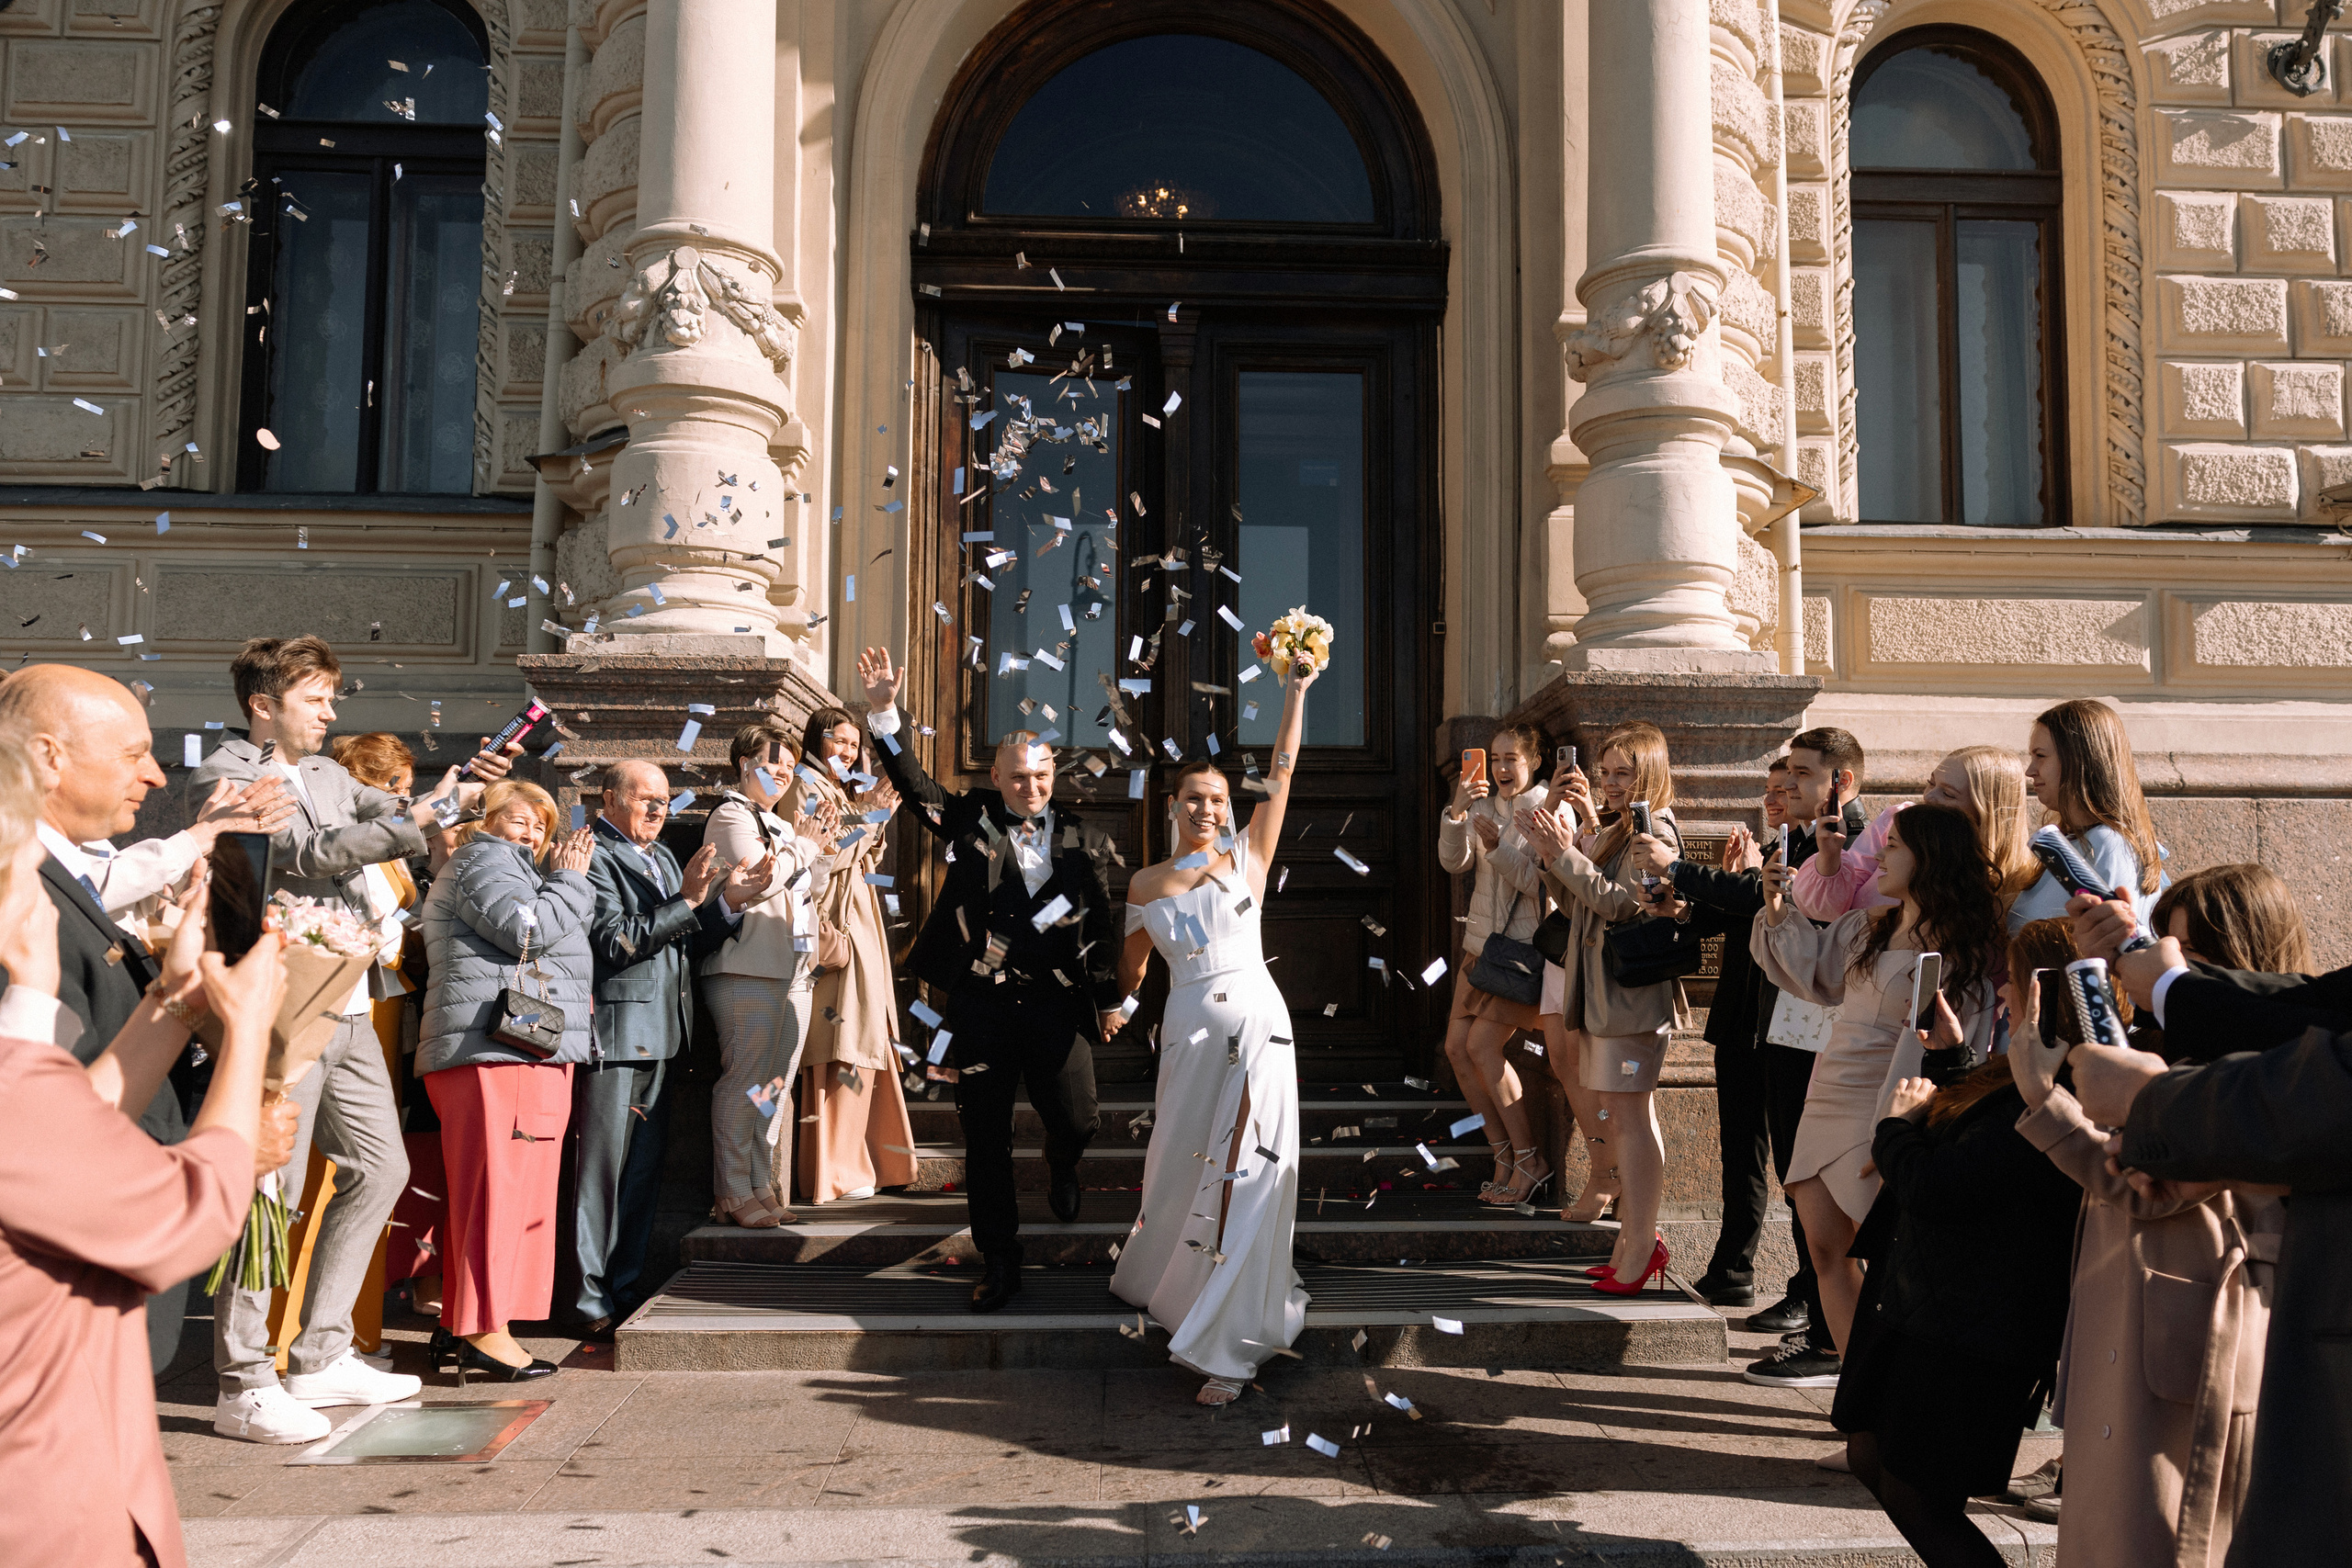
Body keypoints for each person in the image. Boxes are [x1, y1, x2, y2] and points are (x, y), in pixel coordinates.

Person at [189, 635, 518, 1440]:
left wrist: (453, 798)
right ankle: (244, 1377)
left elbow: (394, 814)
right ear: (264, 705)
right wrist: (414, 824)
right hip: (278, 999)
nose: (333, 711)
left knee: (382, 1164)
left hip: (347, 996)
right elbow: (300, 852)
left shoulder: (331, 773)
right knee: (273, 1186)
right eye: (315, 698)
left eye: (333, 695)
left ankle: (323, 1352)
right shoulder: (221, 772)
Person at [0, 728, 297, 1568]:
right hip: (41, 1500)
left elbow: (61, 1124)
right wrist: (243, 1036)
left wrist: (171, 1001)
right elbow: (188, 1219)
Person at [2009, 888, 2291, 1568]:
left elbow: (2147, 1185)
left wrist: (2047, 1101)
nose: (2164, 966)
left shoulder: (2255, 1068)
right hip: (2128, 1329)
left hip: (2182, 1348)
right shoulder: (2175, 1046)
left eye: (2187, 952)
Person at [857, 646, 1125, 1314]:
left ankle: (1064, 1163)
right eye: (1015, 778)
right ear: (998, 778)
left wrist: (1111, 998)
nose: (1027, 788)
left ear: (1051, 776)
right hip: (980, 1007)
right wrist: (886, 711)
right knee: (985, 1140)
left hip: (1056, 1007)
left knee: (1080, 1117)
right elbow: (917, 786)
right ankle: (1000, 1261)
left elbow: (1101, 925)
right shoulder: (973, 819)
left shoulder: (1082, 841)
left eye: (1038, 777)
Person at [1112, 660, 1317, 1404]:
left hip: (1260, 1029)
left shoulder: (1248, 859)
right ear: (1173, 805)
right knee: (1182, 1161)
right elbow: (1132, 973)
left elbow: (1284, 769)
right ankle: (1169, 1282)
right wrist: (1117, 1008)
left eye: (1219, 798)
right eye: (1195, 797)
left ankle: (1229, 1345)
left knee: (1248, 1173)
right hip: (1189, 1034)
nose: (1207, 808)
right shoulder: (1143, 885)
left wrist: (1294, 692)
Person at [1747, 802, 2004, 1387]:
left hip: (1882, 1109)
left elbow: (1925, 1050)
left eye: (1894, 847)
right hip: (1828, 1094)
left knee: (1888, 1268)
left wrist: (1893, 1133)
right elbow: (1813, 971)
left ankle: (1887, 1406)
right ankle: (1859, 1401)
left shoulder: (1953, 954)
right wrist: (1777, 906)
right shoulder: (1872, 925)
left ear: (1931, 859)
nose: (1879, 854)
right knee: (1823, 1253)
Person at [2091, 1003, 2352, 1567]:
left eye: (2194, 955)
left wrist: (2140, 1102)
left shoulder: (2260, 1073)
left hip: (2214, 1346)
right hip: (2164, 1344)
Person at [1831, 996, 2084, 1566]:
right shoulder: (2027, 1065)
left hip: (1973, 1325)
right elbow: (1979, 1129)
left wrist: (1894, 1129)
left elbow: (1943, 1182)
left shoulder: (2056, 1081)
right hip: (1932, 1303)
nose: (2005, 997)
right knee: (1871, 1456)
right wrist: (1951, 1060)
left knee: (1918, 1494)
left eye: (2017, 983)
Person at [575, 759, 767, 1337]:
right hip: (613, 1037)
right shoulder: (593, 855)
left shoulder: (659, 858)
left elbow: (684, 942)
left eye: (665, 800)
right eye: (645, 799)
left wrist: (725, 904)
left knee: (641, 1176)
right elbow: (613, 941)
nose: (659, 810)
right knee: (601, 1177)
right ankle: (587, 1302)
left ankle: (626, 1288)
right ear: (608, 799)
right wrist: (686, 901)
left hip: (664, 1033)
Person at [416, 780, 598, 1380]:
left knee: (492, 1191)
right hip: (499, 1053)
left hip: (515, 1049)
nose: (532, 833)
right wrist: (571, 879)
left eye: (540, 825)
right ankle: (486, 1329)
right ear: (485, 820)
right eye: (518, 819)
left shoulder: (506, 865)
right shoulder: (483, 858)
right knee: (501, 1191)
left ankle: (462, 1323)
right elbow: (526, 932)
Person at [1632, 760, 1823, 1327]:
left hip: (1788, 1026)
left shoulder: (1818, 852)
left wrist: (1685, 872)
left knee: (1792, 1162)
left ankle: (1808, 1290)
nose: (1773, 798)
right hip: (1742, 1019)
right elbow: (1736, 914)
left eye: (1786, 789)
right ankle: (1733, 1271)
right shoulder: (1771, 849)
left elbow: (1754, 900)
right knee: (1740, 1154)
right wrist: (1681, 908)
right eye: (1768, 790)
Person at [1517, 720, 1686, 1290]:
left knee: (1631, 1121)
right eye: (1605, 772)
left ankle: (1640, 1248)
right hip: (1609, 996)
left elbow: (1625, 906)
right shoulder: (1620, 826)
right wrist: (1549, 855)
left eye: (1623, 773)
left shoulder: (1653, 826)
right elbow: (1580, 904)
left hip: (1630, 1000)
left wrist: (1564, 853)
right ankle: (1633, 1242)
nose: (1610, 784)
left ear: (1650, 775)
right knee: (1629, 1117)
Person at [701, 720, 842, 1226]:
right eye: (773, 762)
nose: (784, 772)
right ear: (744, 764)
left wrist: (820, 851)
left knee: (774, 1089)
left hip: (792, 971)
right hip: (746, 971)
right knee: (746, 1083)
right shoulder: (730, 817)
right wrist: (804, 849)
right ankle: (732, 1192)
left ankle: (761, 1183)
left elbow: (804, 888)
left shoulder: (782, 824)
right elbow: (761, 881)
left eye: (789, 765)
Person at [328, 732, 447, 1320]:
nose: (405, 797)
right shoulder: (351, 842)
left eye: (407, 785)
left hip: (392, 1003)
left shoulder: (396, 845)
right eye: (395, 786)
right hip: (356, 1001)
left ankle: (363, 1313)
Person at [787, 705, 918, 1206]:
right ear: (815, 741)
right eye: (837, 741)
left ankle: (866, 1156)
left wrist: (871, 818)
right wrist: (869, 818)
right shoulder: (804, 784)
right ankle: (834, 1171)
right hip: (836, 922)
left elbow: (862, 851)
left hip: (860, 920)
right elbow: (822, 852)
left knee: (864, 1037)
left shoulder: (837, 789)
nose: (846, 751)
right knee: (843, 1038)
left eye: (852, 744)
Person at [1435, 723, 1553, 1206]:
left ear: (1534, 762)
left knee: (1483, 1047)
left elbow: (1544, 887)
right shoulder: (1482, 804)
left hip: (1520, 954)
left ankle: (1532, 1160)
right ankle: (1503, 1155)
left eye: (1513, 760)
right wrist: (1458, 811)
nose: (1502, 769)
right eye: (1496, 759)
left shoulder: (1548, 808)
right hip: (1479, 948)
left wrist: (1497, 849)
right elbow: (1452, 863)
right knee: (1457, 1050)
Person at [1795, 743, 2040, 928]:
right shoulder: (1897, 821)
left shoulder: (2013, 883)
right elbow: (1825, 909)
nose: (1929, 797)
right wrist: (1830, 855)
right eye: (1930, 783)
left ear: (1985, 810)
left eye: (1948, 794)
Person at [2014, 697, 2165, 929]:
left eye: (2040, 756)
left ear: (2079, 760)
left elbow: (2110, 945)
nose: (2030, 770)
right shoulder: (2079, 840)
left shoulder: (2109, 844)